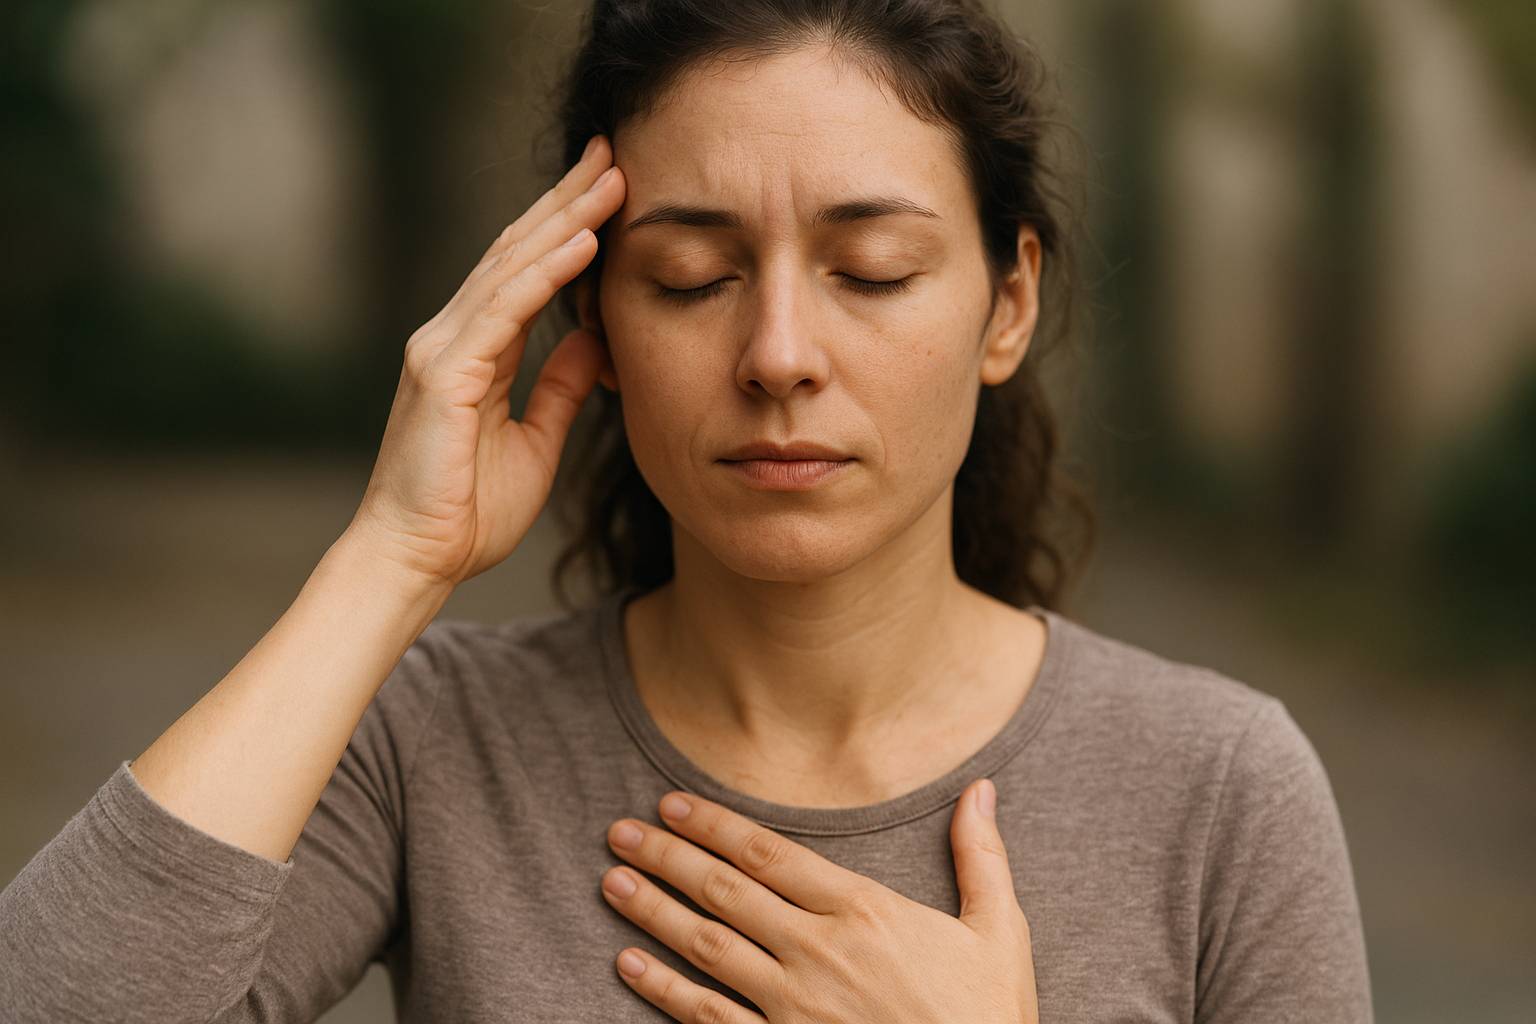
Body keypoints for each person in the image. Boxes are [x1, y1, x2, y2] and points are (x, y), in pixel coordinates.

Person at [0, 1, 1373, 1022]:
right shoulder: (431, 741)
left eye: (874, 271)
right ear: (589, 308)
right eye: (692, 275)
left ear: (1006, 303)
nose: (779, 351)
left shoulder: (1222, 788)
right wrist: (387, 561)